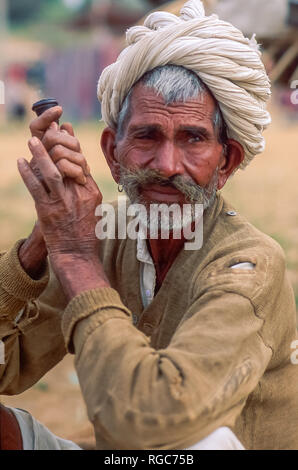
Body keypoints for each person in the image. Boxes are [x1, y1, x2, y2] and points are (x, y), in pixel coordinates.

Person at [0, 0, 297, 450]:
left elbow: (152, 423)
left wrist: (77, 259)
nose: (166, 164)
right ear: (112, 155)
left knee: (206, 440)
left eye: (193, 139)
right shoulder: (103, 238)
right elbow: (9, 366)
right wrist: (42, 244)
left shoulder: (248, 267)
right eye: (146, 136)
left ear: (226, 163)